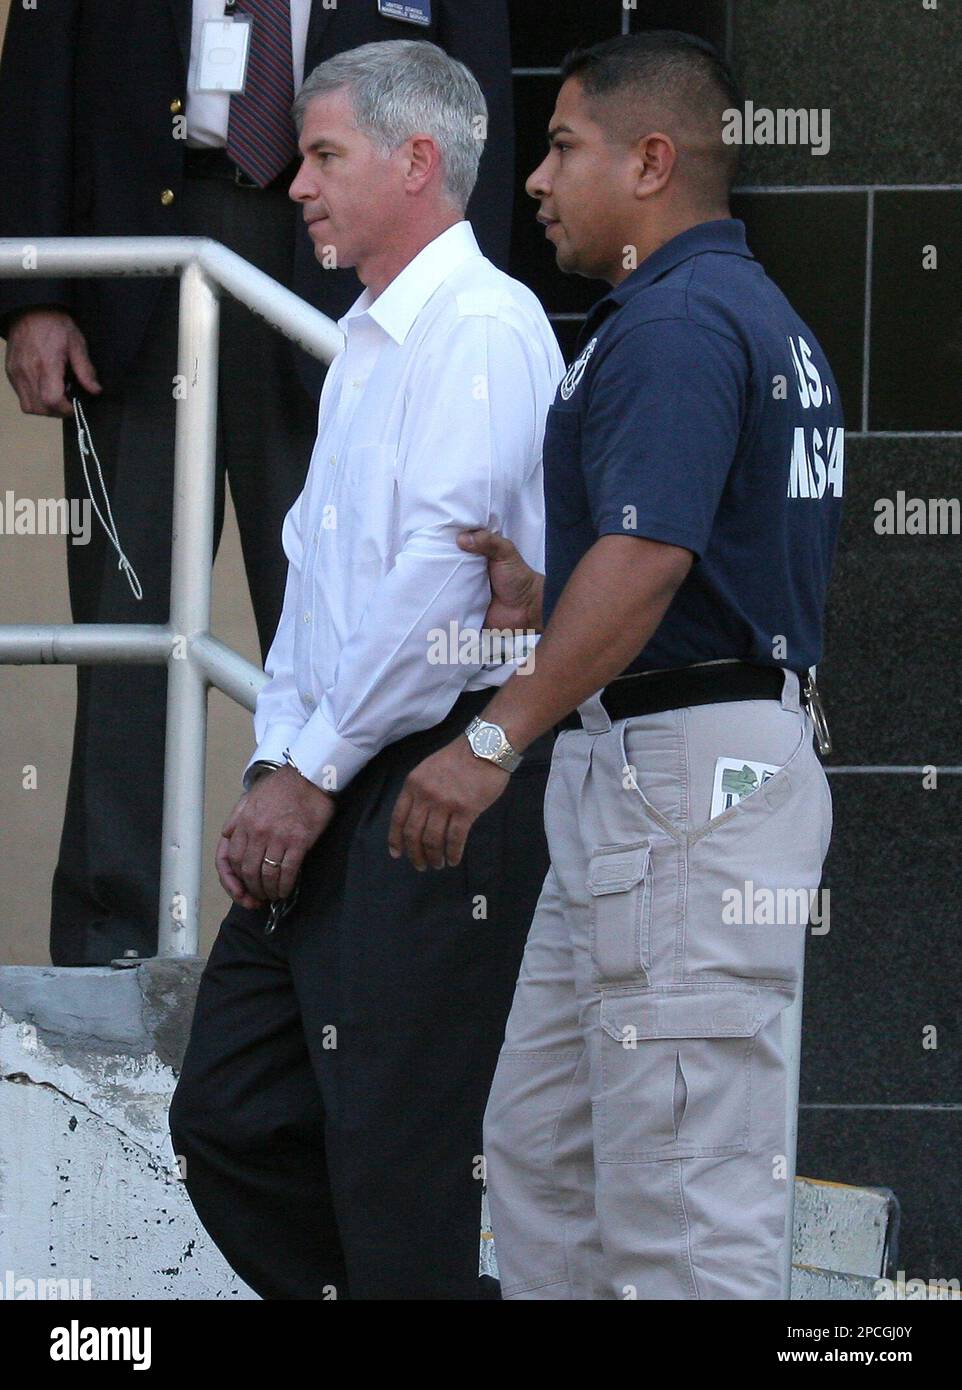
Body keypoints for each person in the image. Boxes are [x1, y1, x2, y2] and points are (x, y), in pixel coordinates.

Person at [389, 30, 844, 1299]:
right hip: (663, 771)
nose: (534, 179)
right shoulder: (725, 311)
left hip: (684, 788)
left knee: (682, 1210)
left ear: (651, 161)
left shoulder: (682, 319)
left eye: (561, 146)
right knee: (549, 1162)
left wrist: (490, 741)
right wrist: (551, 599)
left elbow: (649, 565)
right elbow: (699, 563)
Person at [168, 40, 564, 1300]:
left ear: (416, 161)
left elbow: (442, 595)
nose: (293, 184)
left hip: (429, 779)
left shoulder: (485, 329)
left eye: (323, 153)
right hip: (332, 767)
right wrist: (276, 760)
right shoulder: (365, 345)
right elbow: (310, 594)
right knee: (227, 1113)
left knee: (395, 1163)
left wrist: (319, 770)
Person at [0, 0, 513, 966]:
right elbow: (36, 75)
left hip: (346, 272)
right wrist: (35, 289)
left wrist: (449, 296)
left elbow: (471, 97)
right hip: (136, 264)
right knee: (128, 630)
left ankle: (350, 933)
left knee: (344, 619)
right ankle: (113, 943)